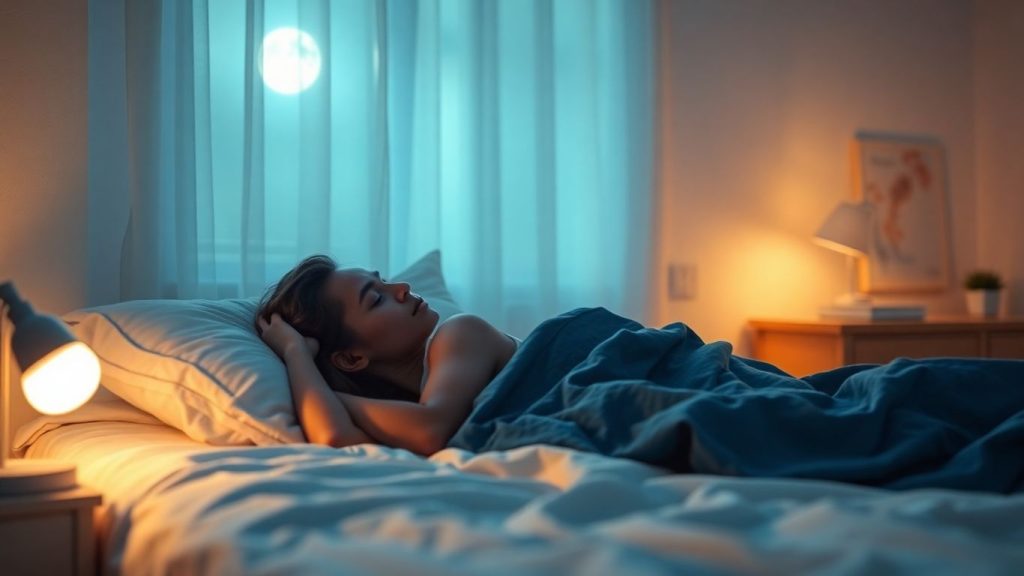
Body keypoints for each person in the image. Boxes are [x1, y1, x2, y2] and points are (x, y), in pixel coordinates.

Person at [255, 255, 517, 456]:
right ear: (351, 359)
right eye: (377, 299)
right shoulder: (399, 418)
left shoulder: (461, 332)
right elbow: (334, 437)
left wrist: (321, 390)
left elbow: (430, 430)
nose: (402, 287)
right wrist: (296, 353)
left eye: (385, 282)